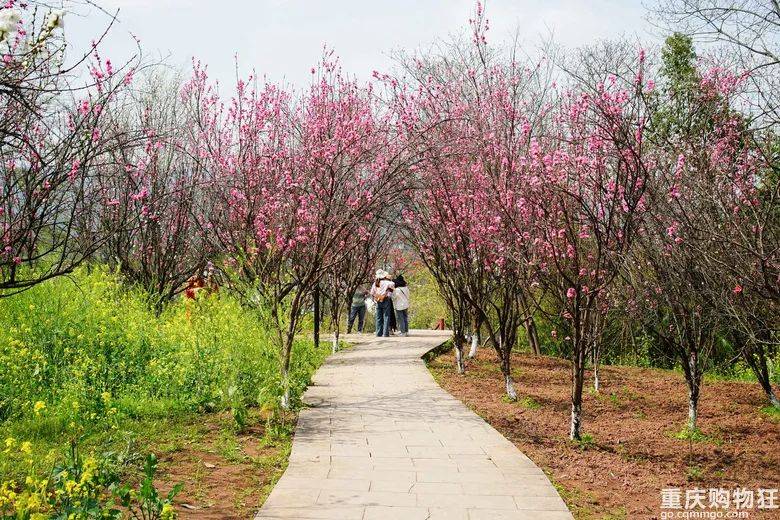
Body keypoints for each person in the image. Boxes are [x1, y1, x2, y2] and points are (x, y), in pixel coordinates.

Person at [370, 269, 395, 337]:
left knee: (378, 317)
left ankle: (378, 333)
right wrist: (389, 278)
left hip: (378, 300)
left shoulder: (375, 283)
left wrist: (375, 298)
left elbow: (372, 292)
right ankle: (385, 333)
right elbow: (393, 284)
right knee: (386, 316)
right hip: (386, 300)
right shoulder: (386, 282)